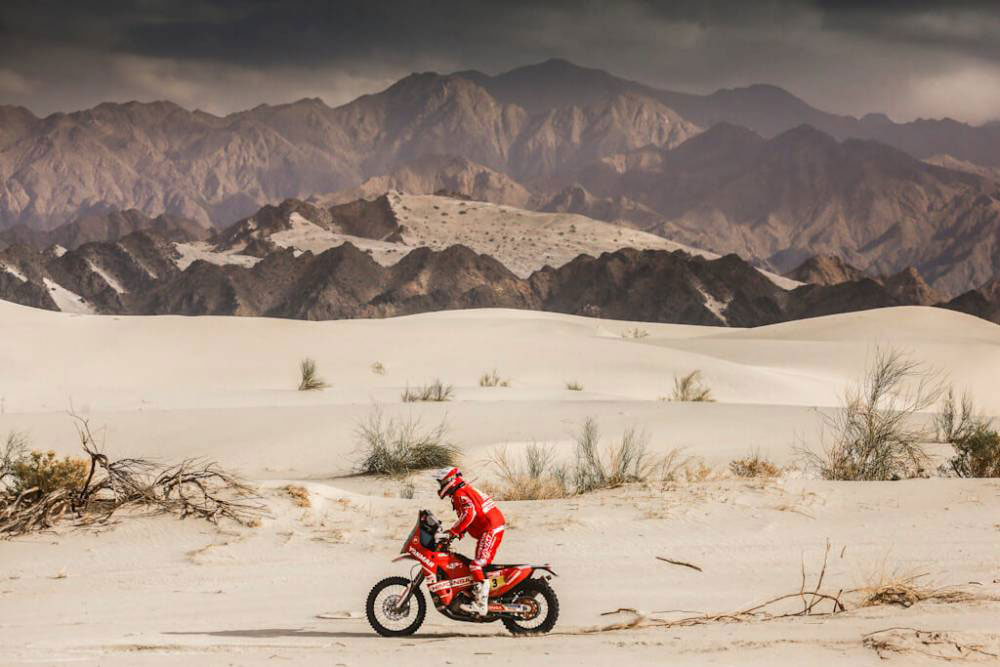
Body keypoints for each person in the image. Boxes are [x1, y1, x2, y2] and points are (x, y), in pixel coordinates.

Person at [432, 466, 505, 616]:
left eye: (442, 482)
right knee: (472, 565)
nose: (440, 486)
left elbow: (469, 514)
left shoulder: (460, 493)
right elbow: (471, 516)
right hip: (489, 528)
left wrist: (453, 532)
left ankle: (481, 604)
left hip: (491, 529)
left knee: (476, 565)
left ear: (450, 480)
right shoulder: (462, 490)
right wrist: (456, 533)